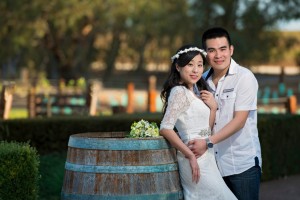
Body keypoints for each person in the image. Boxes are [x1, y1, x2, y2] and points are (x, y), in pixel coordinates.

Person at [188, 27, 262, 200]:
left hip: (242, 165)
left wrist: (207, 142)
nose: (218, 55)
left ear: (231, 50)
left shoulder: (245, 77)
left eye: (222, 49)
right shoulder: (200, 81)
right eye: (211, 50)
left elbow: (240, 121)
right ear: (205, 54)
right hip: (212, 166)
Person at [159, 44, 237, 200]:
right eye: (190, 64)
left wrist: (213, 108)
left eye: (200, 65)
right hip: (193, 158)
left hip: (206, 156)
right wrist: (190, 156)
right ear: (178, 67)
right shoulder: (179, 92)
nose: (196, 70)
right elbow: (165, 128)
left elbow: (205, 130)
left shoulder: (193, 92)